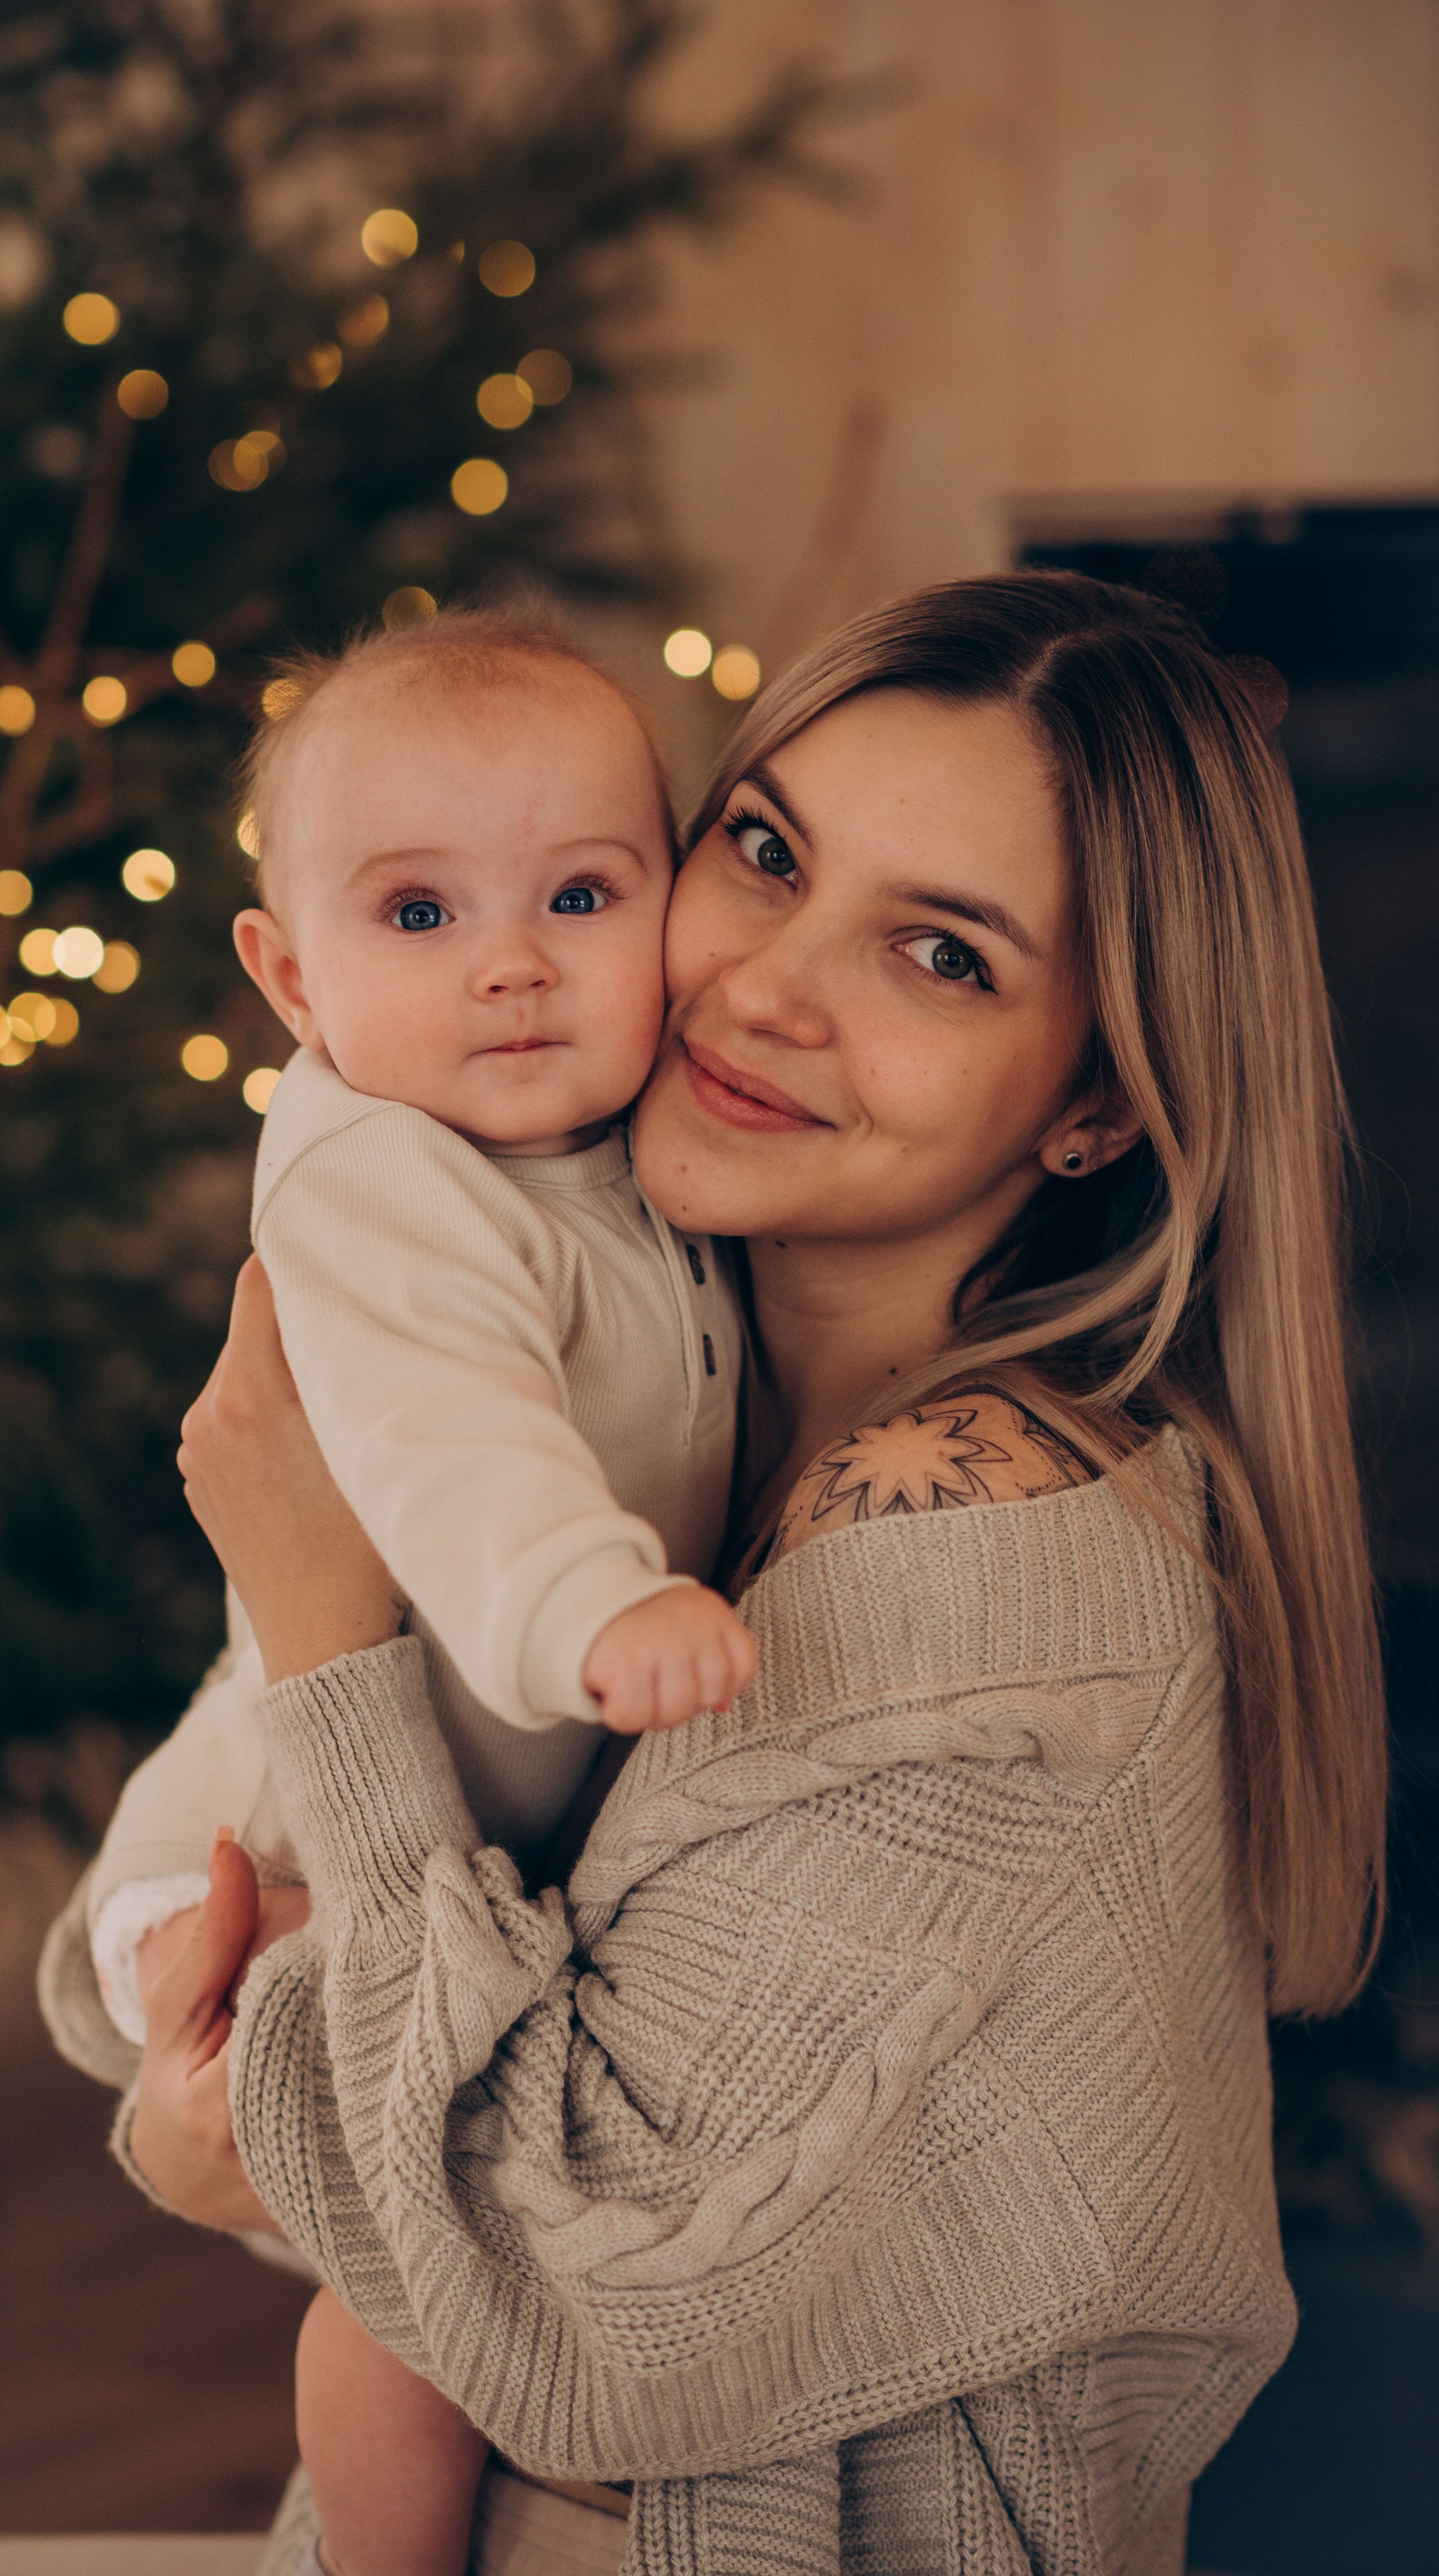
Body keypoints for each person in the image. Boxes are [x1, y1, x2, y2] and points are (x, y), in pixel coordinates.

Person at [70, 573, 1386, 2576]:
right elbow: (170, 1977)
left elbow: (584, 2310)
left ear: (1098, 1102)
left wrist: (330, 1630)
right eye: (765, 853)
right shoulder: (632, 1365)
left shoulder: (975, 1556)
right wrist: (207, 2102)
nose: (768, 987)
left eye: (941, 954)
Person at [64, 611, 758, 2576]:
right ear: (293, 979)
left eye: (580, 895)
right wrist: (595, 1610)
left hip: (427, 1840)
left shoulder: (617, 1152)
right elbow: (455, 1444)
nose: (512, 963)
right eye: (420, 913)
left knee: (468, 2271)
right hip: (261, 1865)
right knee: (423, 2293)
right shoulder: (380, 1180)